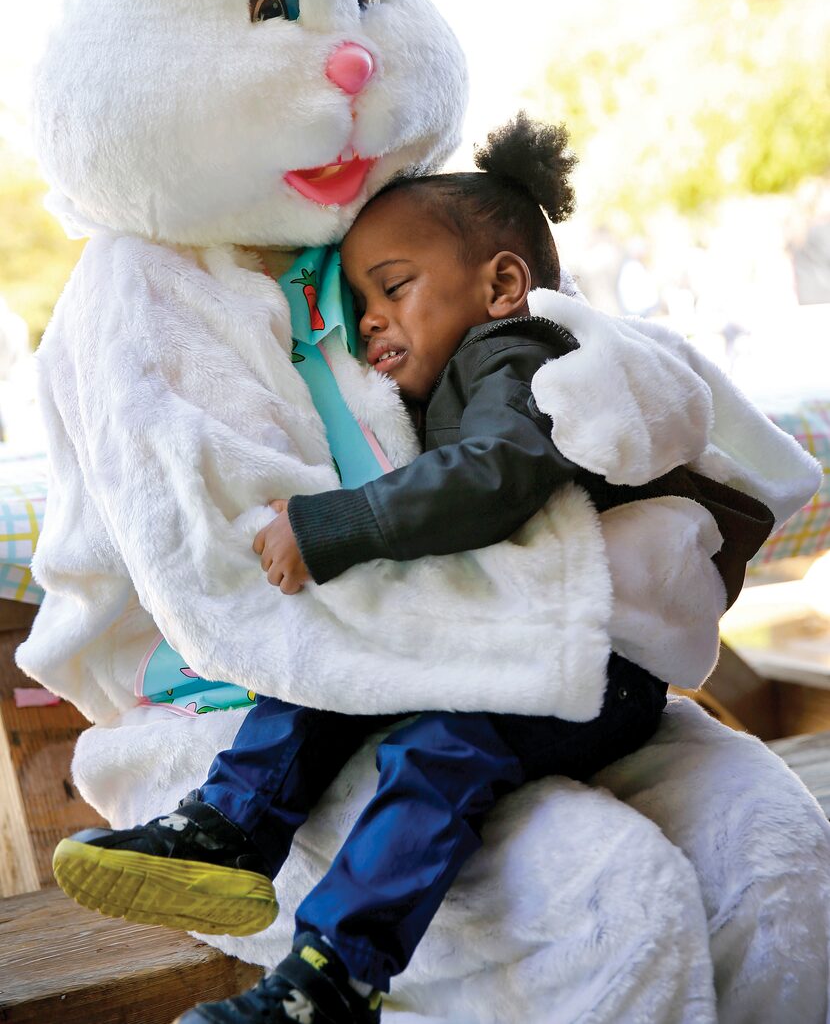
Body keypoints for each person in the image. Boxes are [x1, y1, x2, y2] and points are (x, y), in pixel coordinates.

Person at [51, 116, 772, 1024]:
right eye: (362, 304)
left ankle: (323, 977)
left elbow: (495, 478)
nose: (374, 321)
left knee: (435, 751)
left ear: (503, 283)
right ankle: (236, 830)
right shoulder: (470, 367)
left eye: (394, 287)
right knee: (359, 651)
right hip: (537, 638)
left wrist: (336, 524)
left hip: (592, 664)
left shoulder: (521, 355)